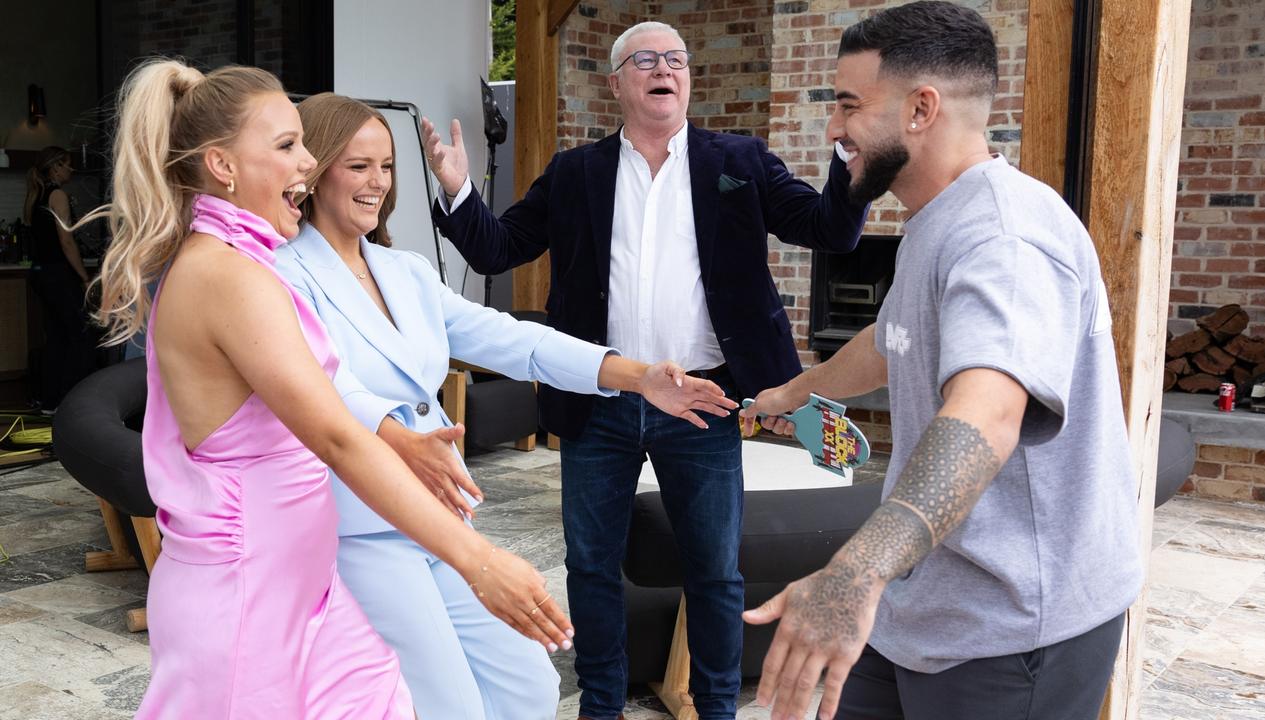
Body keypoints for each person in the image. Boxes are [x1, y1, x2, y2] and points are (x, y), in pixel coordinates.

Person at [88, 58, 580, 719]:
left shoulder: (242, 267)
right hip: (246, 601)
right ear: (223, 166)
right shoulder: (226, 277)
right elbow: (338, 438)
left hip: (307, 589)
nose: (304, 164)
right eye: (287, 146)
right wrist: (478, 559)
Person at [425, 20, 868, 719]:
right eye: (646, 61)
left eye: (676, 60)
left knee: (715, 572)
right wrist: (455, 189)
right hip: (599, 402)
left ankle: (718, 708)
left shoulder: (741, 161)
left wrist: (851, 165)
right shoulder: (578, 174)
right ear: (618, 82)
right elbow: (497, 248)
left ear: (687, 79)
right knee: (592, 566)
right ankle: (602, 705)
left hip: (704, 400)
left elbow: (829, 229)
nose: (665, 69)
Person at [275, 92, 738, 720]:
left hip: (441, 516)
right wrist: (393, 433)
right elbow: (320, 384)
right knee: (451, 704)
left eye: (385, 166)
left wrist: (637, 377)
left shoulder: (404, 271)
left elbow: (518, 340)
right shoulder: (281, 273)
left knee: (528, 685)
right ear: (316, 168)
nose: (377, 183)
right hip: (362, 526)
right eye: (358, 166)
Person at [738, 3, 1144, 719]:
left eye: (849, 105)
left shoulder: (1005, 238)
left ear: (921, 109)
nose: (833, 129)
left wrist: (856, 572)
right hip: (920, 602)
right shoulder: (937, 218)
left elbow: (987, 415)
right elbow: (889, 340)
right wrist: (792, 394)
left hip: (1014, 627)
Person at [24, 146, 95, 412]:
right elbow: (66, 242)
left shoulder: (35, 195)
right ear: (55, 167)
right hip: (57, 275)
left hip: (40, 274)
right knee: (81, 337)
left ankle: (50, 402)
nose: (71, 169)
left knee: (56, 338)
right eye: (67, 164)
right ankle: (72, 405)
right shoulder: (58, 195)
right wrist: (83, 276)